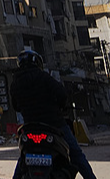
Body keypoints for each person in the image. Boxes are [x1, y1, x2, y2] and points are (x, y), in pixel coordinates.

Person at [10, 50, 97, 179]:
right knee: (76, 154)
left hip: (30, 127)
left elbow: (16, 106)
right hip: (54, 124)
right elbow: (62, 94)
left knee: (24, 156)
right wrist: (60, 106)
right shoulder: (44, 77)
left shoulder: (15, 84)